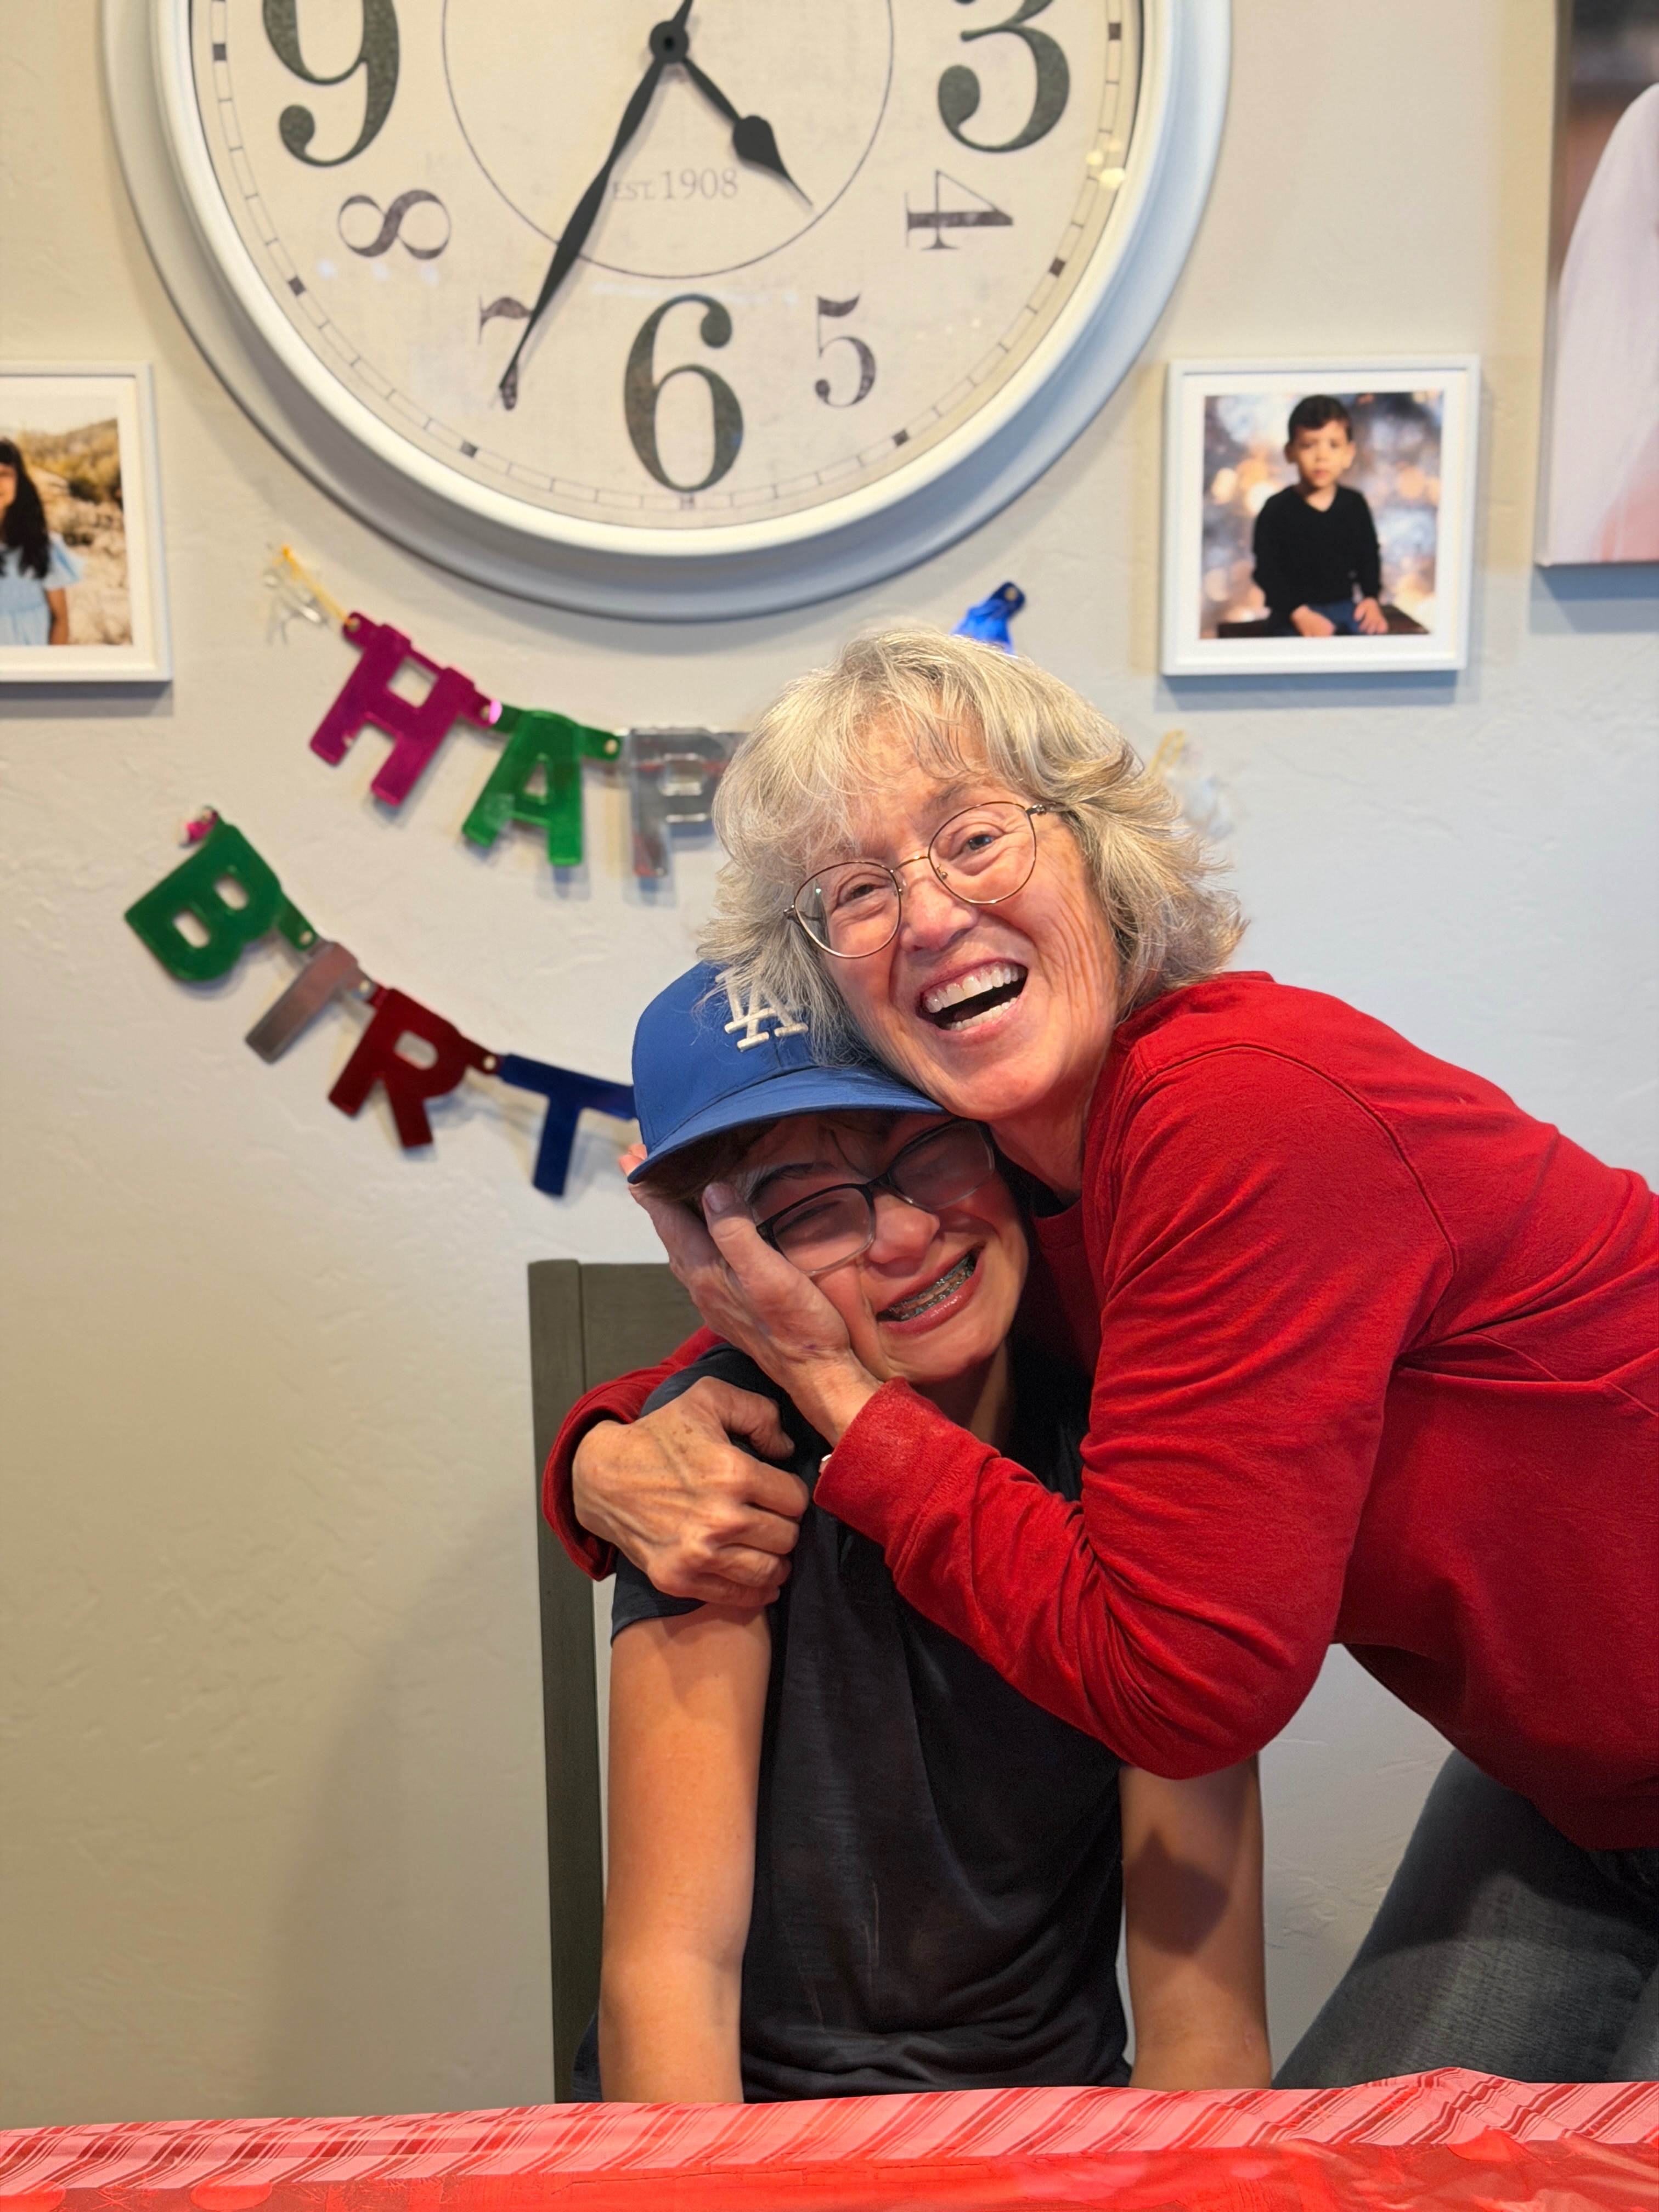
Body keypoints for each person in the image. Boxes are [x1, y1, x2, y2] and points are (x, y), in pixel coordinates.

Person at [546, 629, 1658, 2086]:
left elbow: (1185, 1687)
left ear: (1098, 852)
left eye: (974, 837)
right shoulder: (1051, 1192)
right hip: (1583, 1796)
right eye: (860, 893)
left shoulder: (1226, 1111)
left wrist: (819, 1390)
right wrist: (608, 1445)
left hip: (1587, 1788)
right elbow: (858, 1295)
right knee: (1364, 2171)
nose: (929, 914)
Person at [582, 961, 1268, 2103]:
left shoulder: (1137, 1449)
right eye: (809, 1211)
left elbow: (1207, 2028)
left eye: (931, 1151)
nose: (904, 1235)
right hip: (756, 2137)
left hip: (1059, 2134)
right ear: (722, 1264)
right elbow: (668, 1981)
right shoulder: (712, 1466)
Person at [1250, 396, 1387, 636]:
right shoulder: (1276, 509)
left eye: (1333, 445)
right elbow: (1267, 571)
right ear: (1290, 452)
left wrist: (1371, 598)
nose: (1322, 456)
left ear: (1349, 453)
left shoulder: (1354, 505)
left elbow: (1368, 557)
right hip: (1292, 611)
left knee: (1373, 642)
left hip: (1345, 607)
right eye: (1308, 445)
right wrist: (1299, 613)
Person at [0, 439, 80, 647]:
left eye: (4, 474)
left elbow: (61, 620)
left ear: (19, 481)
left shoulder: (42, 547)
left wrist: (50, 666)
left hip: (31, 657)